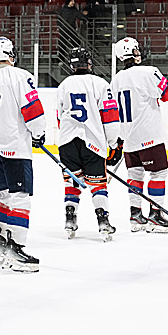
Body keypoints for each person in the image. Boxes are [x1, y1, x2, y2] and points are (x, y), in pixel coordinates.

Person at [0, 36, 46, 272]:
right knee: (20, 196)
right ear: (10, 53)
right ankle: (16, 249)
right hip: (14, 146)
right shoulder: (21, 76)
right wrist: (38, 133)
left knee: (3, 195)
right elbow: (32, 109)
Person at [109, 37, 168, 233]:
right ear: (132, 53)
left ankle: (136, 216)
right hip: (149, 136)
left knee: (134, 174)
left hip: (128, 138)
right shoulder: (148, 72)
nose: (140, 52)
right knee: (158, 173)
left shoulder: (116, 79)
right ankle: (156, 215)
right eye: (137, 49)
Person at [55, 47, 120, 240]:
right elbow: (109, 117)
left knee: (72, 182)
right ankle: (103, 221)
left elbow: (59, 117)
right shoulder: (100, 83)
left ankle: (70, 218)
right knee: (98, 184)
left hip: (67, 142)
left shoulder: (64, 85)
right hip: (92, 142)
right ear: (89, 63)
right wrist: (113, 142)